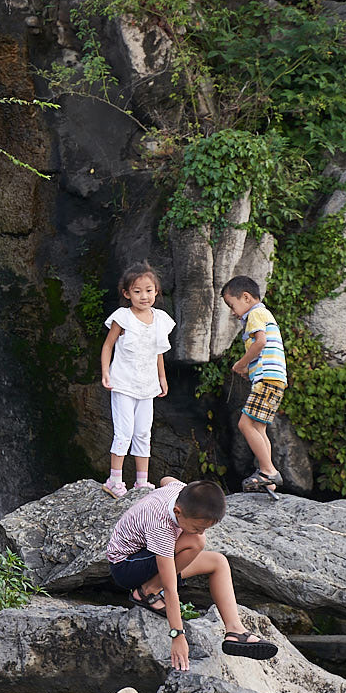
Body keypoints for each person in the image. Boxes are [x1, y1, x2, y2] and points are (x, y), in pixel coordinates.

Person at [105, 477, 278, 666]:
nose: (201, 531)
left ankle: (235, 630)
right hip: (126, 566)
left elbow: (165, 480)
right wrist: (177, 635)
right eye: (197, 527)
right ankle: (148, 591)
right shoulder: (160, 525)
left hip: (146, 556)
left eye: (205, 528)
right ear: (178, 511)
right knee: (195, 542)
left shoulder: (181, 490)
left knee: (218, 562)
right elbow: (170, 588)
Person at [98, 264, 173, 498]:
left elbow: (159, 351)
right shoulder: (123, 317)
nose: (144, 296)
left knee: (143, 431)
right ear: (127, 293)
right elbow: (108, 345)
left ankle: (142, 482)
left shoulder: (160, 319)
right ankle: (114, 480)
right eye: (137, 291)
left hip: (147, 386)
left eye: (149, 290)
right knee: (124, 431)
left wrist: (162, 378)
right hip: (122, 384)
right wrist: (105, 372)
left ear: (156, 291)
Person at [221, 275, 287, 494]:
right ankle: (271, 478)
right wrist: (250, 370)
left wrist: (241, 364)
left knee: (245, 424)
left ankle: (268, 470)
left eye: (232, 304)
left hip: (267, 378)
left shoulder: (255, 313)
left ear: (246, 297)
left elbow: (260, 342)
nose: (232, 311)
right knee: (259, 428)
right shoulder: (263, 314)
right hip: (273, 378)